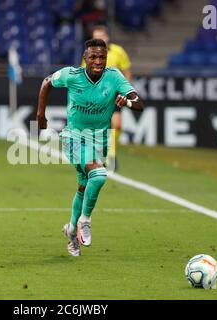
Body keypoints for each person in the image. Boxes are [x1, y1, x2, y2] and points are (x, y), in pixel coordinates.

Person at [37, 39, 144, 256]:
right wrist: (40, 115)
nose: (97, 61)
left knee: (84, 185)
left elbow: (139, 103)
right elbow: (47, 82)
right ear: (85, 58)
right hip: (74, 136)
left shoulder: (114, 77)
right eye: (93, 57)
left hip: (100, 139)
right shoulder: (72, 75)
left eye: (101, 57)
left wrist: (128, 102)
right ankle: (85, 220)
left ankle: (71, 230)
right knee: (99, 175)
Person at [82, 25, 133, 172]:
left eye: (101, 37)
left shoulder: (118, 51)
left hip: (115, 93)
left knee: (117, 125)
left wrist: (126, 89)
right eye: (96, 37)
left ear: (107, 37)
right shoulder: (89, 53)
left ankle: (111, 154)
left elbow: (127, 72)